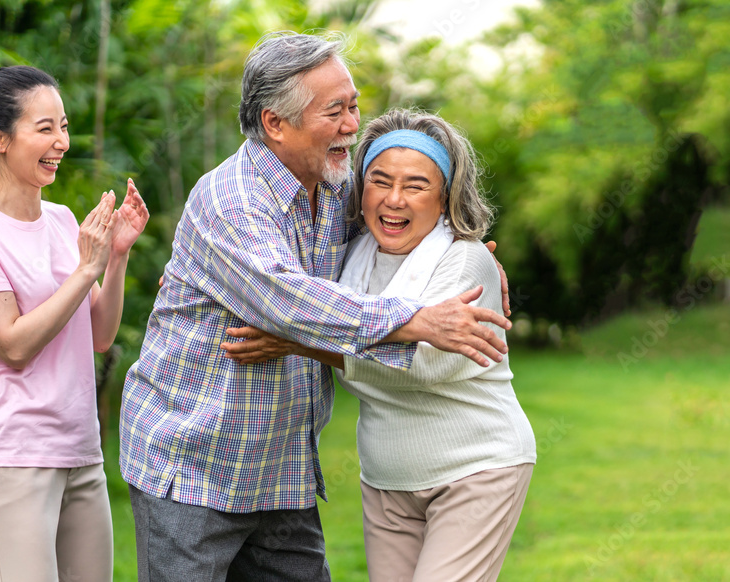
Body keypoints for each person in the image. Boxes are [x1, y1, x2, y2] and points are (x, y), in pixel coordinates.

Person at [119, 32, 512, 581]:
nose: (353, 124)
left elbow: (399, 218)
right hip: (195, 466)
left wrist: (467, 253)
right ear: (275, 123)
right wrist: (414, 320)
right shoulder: (230, 199)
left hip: (282, 470)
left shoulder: (335, 185)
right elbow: (288, 302)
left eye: (353, 106)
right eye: (336, 111)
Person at [223, 108, 537, 581]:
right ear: (359, 187)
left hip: (476, 469)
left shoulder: (466, 262)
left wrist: (298, 343)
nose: (394, 200)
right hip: (387, 481)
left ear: (445, 195)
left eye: (416, 185)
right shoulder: (348, 255)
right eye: (379, 180)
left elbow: (423, 363)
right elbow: (282, 289)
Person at [0, 64, 148, 582]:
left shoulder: (62, 221)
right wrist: (87, 268)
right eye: (45, 128)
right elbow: (12, 344)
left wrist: (114, 257)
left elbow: (99, 335)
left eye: (65, 127)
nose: (61, 142)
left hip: (79, 447)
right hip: (11, 453)